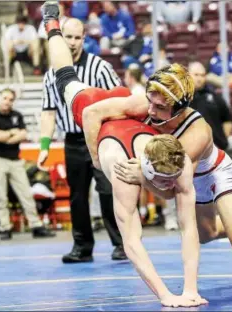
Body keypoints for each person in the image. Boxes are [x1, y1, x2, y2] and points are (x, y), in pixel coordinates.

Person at [42, 0, 232, 294]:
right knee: (206, 234)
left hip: (213, 174)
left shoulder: (197, 132)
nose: (150, 111)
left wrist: (141, 173)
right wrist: (98, 160)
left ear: (178, 108)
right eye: (150, 101)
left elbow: (170, 184)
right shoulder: (145, 102)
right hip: (182, 172)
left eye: (159, 108)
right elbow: (93, 113)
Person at [41, 4, 209, 307]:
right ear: (146, 173)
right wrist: (166, 295)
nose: (167, 190)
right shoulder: (124, 171)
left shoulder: (176, 159)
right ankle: (52, 24)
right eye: (162, 184)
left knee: (181, 198)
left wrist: (190, 288)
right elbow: (132, 242)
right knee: (65, 76)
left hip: (124, 105)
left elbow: (189, 229)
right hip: (98, 111)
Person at [38, 17, 126, 262]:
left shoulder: (99, 67)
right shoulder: (51, 76)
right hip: (73, 141)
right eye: (68, 37)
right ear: (60, 38)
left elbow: (120, 98)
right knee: (77, 195)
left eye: (78, 38)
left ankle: (121, 243)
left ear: (84, 39)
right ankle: (82, 247)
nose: (73, 42)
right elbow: (48, 112)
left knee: (108, 191)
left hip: (102, 137)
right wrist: (44, 146)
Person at [0, 88, 55, 240]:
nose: (7, 102)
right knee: (0, 196)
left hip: (16, 161)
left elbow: (23, 134)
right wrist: (12, 133)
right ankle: (5, 227)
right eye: (5, 98)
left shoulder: (17, 116)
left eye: (10, 99)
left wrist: (5, 135)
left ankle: (36, 225)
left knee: (26, 194)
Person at [189, 61, 232, 151]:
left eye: (202, 75)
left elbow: (228, 120)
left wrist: (221, 139)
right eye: (196, 75)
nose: (199, 78)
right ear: (188, 75)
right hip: (190, 149)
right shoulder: (182, 98)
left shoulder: (214, 97)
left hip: (216, 149)